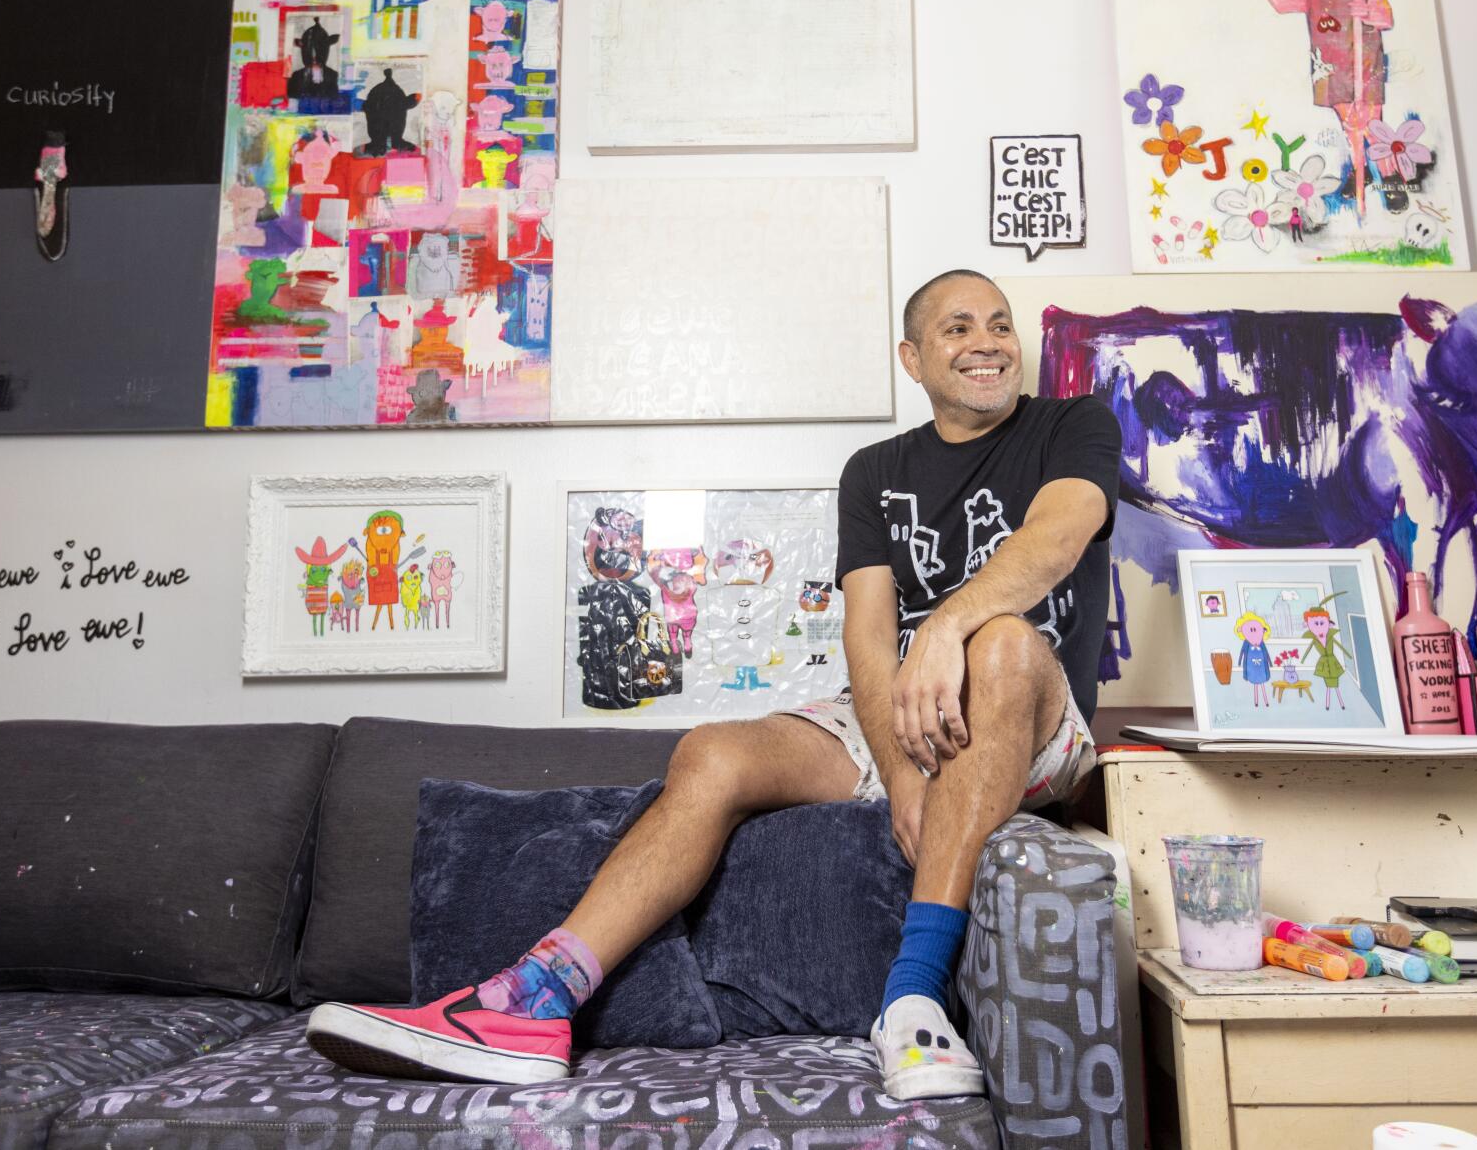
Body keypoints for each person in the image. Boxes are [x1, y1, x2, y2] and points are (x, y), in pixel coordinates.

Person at [303, 269, 1121, 1098]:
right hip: (904, 714)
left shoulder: (1072, 424)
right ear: (912, 358)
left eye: (999, 324)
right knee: (714, 753)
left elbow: (1061, 533)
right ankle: (538, 998)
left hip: (1027, 716)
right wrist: (902, 773)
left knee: (1007, 646)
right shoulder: (875, 470)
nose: (986, 342)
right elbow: (869, 639)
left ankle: (911, 999)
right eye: (958, 327)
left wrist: (949, 627)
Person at [1255, 0, 1393, 215]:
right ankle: (1360, 169)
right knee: (1349, 122)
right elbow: (1285, 4)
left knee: (1371, 125)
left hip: (1364, 67)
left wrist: (1368, 13)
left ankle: (1390, 177)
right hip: (1330, 68)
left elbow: (1386, 18)